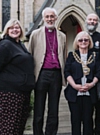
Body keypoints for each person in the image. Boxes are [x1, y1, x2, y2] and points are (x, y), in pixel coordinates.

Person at [0, 19, 35, 135]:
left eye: (17, 27)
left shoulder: (19, 44)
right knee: (8, 125)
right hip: (9, 92)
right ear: (7, 30)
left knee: (18, 125)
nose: (15, 30)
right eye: (11, 28)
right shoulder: (5, 45)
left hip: (21, 91)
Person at [27, 7, 67, 135]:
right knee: (39, 108)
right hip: (41, 74)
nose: (50, 19)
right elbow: (29, 55)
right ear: (43, 18)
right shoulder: (35, 34)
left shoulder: (62, 36)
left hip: (56, 74)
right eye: (47, 17)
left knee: (53, 109)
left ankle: (51, 133)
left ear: (56, 18)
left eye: (52, 16)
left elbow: (64, 56)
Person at [64, 31, 100, 135]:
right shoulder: (72, 55)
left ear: (89, 42)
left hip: (90, 92)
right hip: (74, 93)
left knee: (88, 120)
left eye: (86, 40)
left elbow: (99, 72)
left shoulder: (95, 55)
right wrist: (74, 85)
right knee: (75, 121)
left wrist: (92, 84)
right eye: (80, 40)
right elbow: (67, 72)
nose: (83, 42)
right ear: (77, 42)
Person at [85, 13, 100, 135]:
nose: (92, 22)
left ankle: (98, 131)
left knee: (99, 109)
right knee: (87, 110)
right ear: (86, 21)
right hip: (85, 79)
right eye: (90, 19)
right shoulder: (82, 37)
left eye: (95, 20)